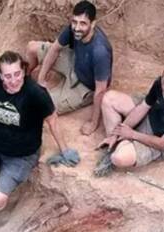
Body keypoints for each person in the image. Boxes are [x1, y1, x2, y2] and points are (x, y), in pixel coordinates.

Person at [0, 51, 78, 232]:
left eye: (17, 74)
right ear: (0, 75)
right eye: (7, 76)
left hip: (21, 154)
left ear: (23, 70)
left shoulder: (36, 93)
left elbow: (53, 119)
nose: (14, 80)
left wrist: (64, 150)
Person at [94, 60, 164, 176]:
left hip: (158, 140)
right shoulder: (159, 84)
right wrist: (116, 133)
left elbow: (162, 144)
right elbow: (144, 107)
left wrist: (132, 134)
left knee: (118, 158)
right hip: (151, 116)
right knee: (109, 99)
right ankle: (116, 141)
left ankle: (120, 146)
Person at [26, 0, 113, 135]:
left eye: (83, 23)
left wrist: (93, 123)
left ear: (93, 23)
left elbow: (101, 90)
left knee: (38, 105)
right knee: (32, 47)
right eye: (75, 22)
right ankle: (25, 78)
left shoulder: (100, 52)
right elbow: (55, 49)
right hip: (75, 61)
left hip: (84, 85)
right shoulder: (74, 29)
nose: (77, 27)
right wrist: (41, 80)